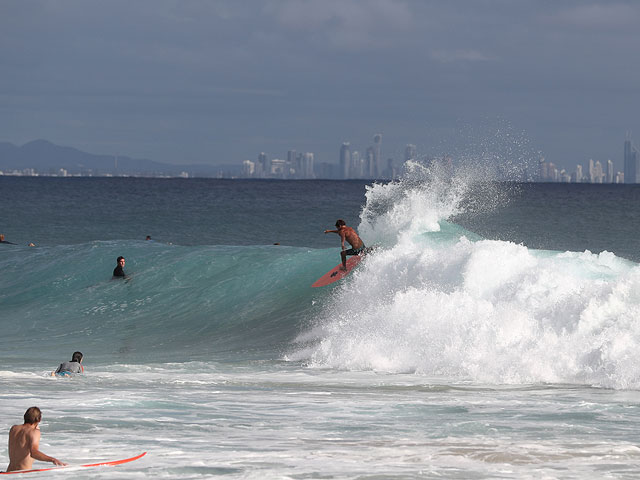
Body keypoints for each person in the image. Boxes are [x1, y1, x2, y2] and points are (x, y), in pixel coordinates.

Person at [6, 407, 66, 472]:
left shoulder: (14, 428)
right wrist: (53, 459)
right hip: (22, 474)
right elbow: (34, 453)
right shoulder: (34, 432)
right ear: (39, 419)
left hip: (9, 473)